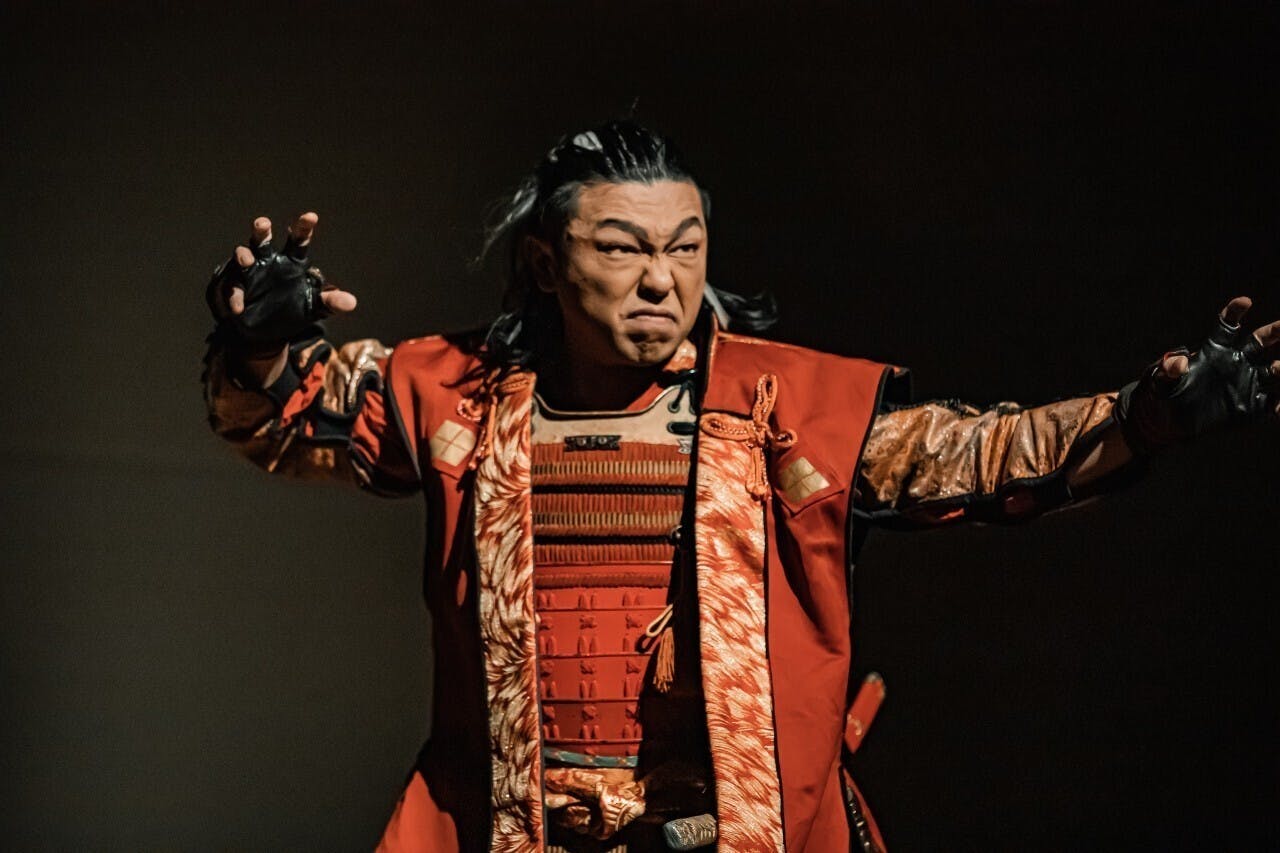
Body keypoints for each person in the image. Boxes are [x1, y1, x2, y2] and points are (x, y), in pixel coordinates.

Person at [202, 121, 1278, 853]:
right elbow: (282, 418)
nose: (660, 278)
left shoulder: (781, 408)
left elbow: (981, 457)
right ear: (542, 263)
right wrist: (257, 342)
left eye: (684, 247)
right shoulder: (458, 398)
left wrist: (1146, 413)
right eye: (620, 248)